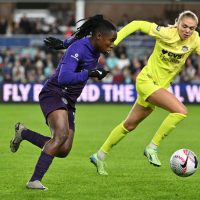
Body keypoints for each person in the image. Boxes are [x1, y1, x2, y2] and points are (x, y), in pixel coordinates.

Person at [10, 15, 117, 189]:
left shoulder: (91, 45)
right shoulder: (79, 48)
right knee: (60, 137)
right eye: (111, 40)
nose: (113, 44)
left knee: (63, 149)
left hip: (69, 101)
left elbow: (75, 39)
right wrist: (89, 73)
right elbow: (64, 77)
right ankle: (34, 181)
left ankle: (24, 133)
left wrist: (63, 43)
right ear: (98, 36)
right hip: (54, 92)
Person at [90, 10, 200, 175]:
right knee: (180, 111)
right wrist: (115, 41)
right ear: (178, 24)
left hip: (158, 87)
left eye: (192, 28)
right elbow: (137, 24)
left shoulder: (195, 40)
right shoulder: (165, 33)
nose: (187, 30)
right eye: (184, 26)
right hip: (146, 82)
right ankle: (152, 148)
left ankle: (99, 155)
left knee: (129, 125)